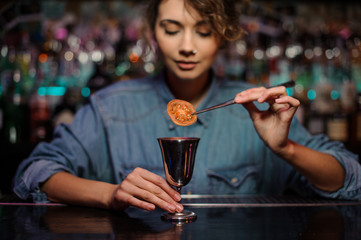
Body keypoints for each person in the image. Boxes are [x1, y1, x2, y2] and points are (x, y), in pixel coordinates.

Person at [13, 0, 361, 214]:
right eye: (172, 29)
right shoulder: (111, 106)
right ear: (153, 33)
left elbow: (350, 179)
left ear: (222, 36)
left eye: (204, 31)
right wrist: (112, 194)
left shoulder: (255, 107)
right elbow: (34, 173)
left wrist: (285, 148)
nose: (187, 46)